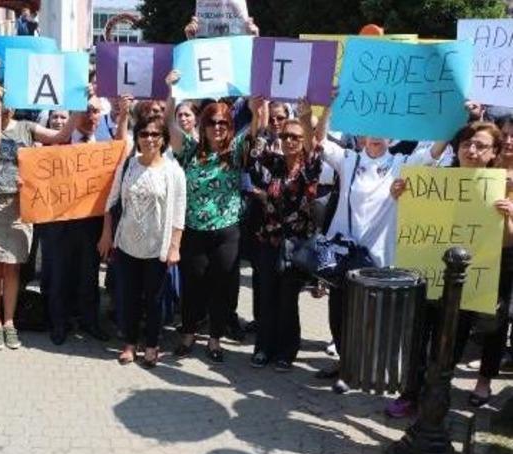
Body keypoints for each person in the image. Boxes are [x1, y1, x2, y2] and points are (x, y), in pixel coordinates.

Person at [313, 96, 438, 393]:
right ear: (361, 134)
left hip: (379, 258)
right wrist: (327, 105)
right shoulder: (349, 159)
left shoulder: (401, 164)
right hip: (344, 256)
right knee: (340, 313)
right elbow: (318, 140)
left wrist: (449, 121)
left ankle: (365, 370)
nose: (376, 137)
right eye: (370, 130)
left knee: (373, 320)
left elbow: (434, 152)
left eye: (383, 131)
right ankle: (345, 364)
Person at [387, 121, 509, 416]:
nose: (472, 150)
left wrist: (507, 217)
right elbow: (413, 216)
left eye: (481, 145)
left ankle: (434, 400)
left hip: (469, 282)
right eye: (467, 143)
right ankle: (411, 393)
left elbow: (507, 242)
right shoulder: (438, 179)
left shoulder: (503, 187)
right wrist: (399, 193)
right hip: (430, 274)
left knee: (450, 344)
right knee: (418, 336)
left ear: (494, 152)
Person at [0, 95, 72, 351]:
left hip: (19, 206)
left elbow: (59, 136)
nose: (6, 104)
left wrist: (79, 111)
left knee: (13, 268)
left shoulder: (27, 128)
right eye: (1, 100)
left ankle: (9, 322)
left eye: (9, 99)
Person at [166, 71, 245, 363]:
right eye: (211, 122)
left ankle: (215, 339)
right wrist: (171, 90)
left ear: (229, 126)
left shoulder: (236, 151)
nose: (217, 127)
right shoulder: (188, 150)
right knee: (193, 285)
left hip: (226, 231)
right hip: (194, 231)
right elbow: (169, 125)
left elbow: (257, 123)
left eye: (223, 122)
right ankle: (187, 334)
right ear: (203, 124)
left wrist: (259, 102)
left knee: (221, 287)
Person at [100, 112, 186, 368]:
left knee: (155, 299)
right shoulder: (128, 166)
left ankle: (151, 345)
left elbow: (179, 212)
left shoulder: (173, 171)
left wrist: (174, 247)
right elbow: (111, 201)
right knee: (128, 296)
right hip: (126, 244)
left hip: (156, 248)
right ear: (137, 137)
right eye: (144, 134)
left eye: (154, 134)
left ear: (164, 139)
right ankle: (129, 344)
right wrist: (106, 234)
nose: (149, 139)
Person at [245, 97, 325, 371]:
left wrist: (306, 115)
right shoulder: (274, 163)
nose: (290, 140)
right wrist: (260, 115)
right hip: (268, 241)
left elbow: (314, 145)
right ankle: (263, 348)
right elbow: (254, 154)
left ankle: (286, 352)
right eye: (286, 135)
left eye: (295, 136)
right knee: (266, 296)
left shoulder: (310, 167)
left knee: (287, 300)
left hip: (295, 246)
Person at [40, 98, 112, 345]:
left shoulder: (104, 147)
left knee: (89, 276)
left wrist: (106, 230)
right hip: (60, 223)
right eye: (86, 110)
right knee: (59, 275)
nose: (91, 116)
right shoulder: (59, 141)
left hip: (91, 223)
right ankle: (58, 324)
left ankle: (90, 321)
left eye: (96, 112)